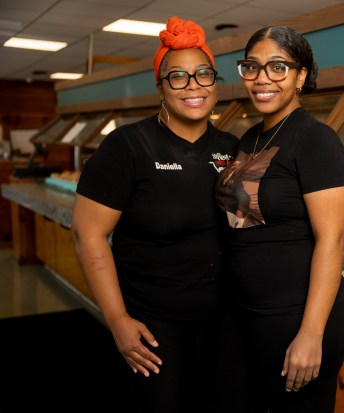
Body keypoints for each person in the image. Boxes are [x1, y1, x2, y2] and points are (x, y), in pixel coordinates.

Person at [71, 16, 238, 412]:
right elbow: (87, 235)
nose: (193, 86)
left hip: (223, 322)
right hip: (154, 327)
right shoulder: (127, 146)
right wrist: (117, 320)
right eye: (178, 77)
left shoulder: (232, 148)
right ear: (161, 87)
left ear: (215, 84)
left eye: (203, 75)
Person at [215, 25, 344, 413]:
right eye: (253, 67)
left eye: (278, 67)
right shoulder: (250, 138)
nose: (262, 78)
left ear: (301, 76)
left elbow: (333, 239)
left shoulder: (315, 140)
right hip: (245, 314)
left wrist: (311, 334)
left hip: (293, 318)